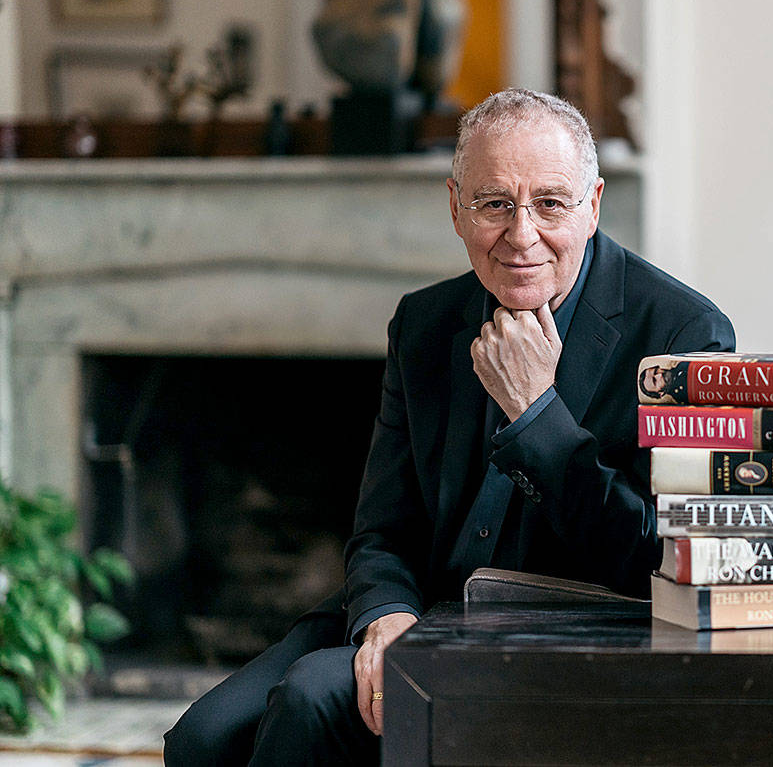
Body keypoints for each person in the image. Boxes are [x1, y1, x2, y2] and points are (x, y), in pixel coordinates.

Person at [164, 88, 735, 765]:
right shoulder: (424, 324)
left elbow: (662, 559)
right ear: (456, 208)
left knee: (312, 698)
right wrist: (385, 615)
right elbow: (382, 527)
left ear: (594, 205)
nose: (521, 234)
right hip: (418, 604)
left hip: (559, 627)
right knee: (202, 739)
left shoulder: (683, 333)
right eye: (494, 203)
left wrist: (537, 416)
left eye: (550, 203)